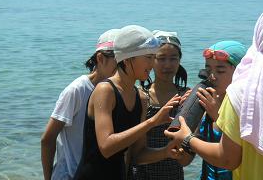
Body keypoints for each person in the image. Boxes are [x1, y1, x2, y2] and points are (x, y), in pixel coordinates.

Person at [165, 4, 263, 180]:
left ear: (259, 34)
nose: (211, 76)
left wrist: (187, 138)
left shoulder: (242, 91)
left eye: (220, 71)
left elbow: (228, 159)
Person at [74, 25, 182, 180]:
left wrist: (166, 151)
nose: (152, 65)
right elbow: (106, 146)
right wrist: (153, 122)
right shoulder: (105, 90)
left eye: (153, 57)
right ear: (128, 58)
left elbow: (137, 155)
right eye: (148, 57)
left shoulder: (141, 98)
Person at [41, 29, 120, 180]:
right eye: (119, 62)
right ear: (100, 58)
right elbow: (48, 138)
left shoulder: (119, 91)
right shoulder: (78, 89)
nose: (123, 68)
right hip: (69, 174)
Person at [182, 40, 246, 180]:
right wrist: (186, 113)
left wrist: (218, 116)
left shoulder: (247, 107)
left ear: (241, 72)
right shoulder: (207, 103)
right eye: (208, 69)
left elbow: (240, 155)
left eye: (220, 70)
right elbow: (184, 159)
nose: (212, 76)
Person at [129, 30, 189, 180]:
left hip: (174, 175)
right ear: (150, 61)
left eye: (173, 58)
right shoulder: (140, 96)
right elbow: (135, 154)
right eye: (161, 58)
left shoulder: (187, 96)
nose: (167, 65)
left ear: (179, 61)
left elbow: (187, 155)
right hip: (141, 175)